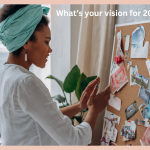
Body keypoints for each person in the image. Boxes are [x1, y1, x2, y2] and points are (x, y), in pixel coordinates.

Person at [0, 4, 110, 145]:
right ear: (26, 42)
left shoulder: (6, 74)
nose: (50, 50)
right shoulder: (26, 82)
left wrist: (79, 106)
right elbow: (73, 141)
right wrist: (94, 110)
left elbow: (42, 119)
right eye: (46, 42)